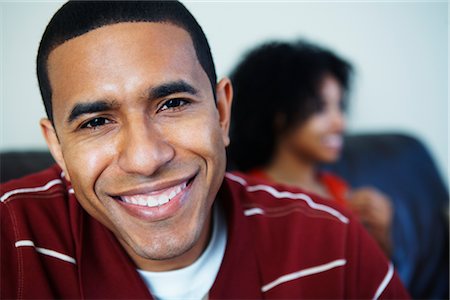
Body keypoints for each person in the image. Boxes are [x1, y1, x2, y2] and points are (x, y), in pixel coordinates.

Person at [0, 1, 409, 299]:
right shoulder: (10, 238)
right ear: (56, 145)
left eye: (173, 103)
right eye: (95, 122)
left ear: (222, 112)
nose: (145, 159)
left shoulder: (331, 241)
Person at [228, 40, 393, 257]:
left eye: (340, 106)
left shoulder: (339, 190)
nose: (340, 123)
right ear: (278, 114)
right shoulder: (250, 199)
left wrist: (381, 236)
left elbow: (371, 279)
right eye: (320, 108)